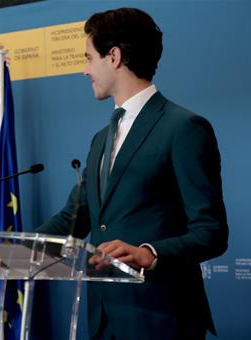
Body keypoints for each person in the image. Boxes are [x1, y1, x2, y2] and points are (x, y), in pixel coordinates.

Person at [37, 7, 228, 340]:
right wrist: (0, 253)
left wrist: (150, 254)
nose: (85, 71)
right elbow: (73, 219)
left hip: (162, 319)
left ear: (113, 56)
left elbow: (211, 231)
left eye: (88, 58)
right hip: (103, 320)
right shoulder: (100, 140)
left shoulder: (184, 128)